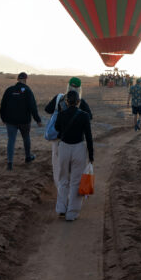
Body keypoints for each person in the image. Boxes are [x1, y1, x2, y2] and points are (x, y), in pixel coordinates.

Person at [45, 77, 92, 190]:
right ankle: (75, 192)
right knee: (76, 168)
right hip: (77, 142)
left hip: (59, 140)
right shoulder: (81, 102)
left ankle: (60, 190)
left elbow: (47, 109)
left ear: (68, 86)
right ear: (80, 88)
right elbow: (90, 117)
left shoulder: (59, 98)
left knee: (59, 168)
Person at [54, 90, 93, 221]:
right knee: (76, 181)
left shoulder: (62, 114)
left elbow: (57, 128)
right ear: (78, 102)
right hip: (79, 148)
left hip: (64, 147)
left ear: (66, 101)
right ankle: (72, 213)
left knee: (63, 179)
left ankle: (61, 209)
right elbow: (89, 136)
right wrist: (91, 155)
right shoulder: (84, 115)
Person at [0, 72, 42, 170]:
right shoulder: (27, 90)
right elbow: (33, 107)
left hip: (10, 120)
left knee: (11, 140)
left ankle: (10, 163)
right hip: (24, 121)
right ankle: (28, 157)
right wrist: (38, 120)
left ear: (17, 79)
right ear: (26, 80)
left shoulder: (9, 90)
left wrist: (3, 118)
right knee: (26, 138)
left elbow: (3, 105)